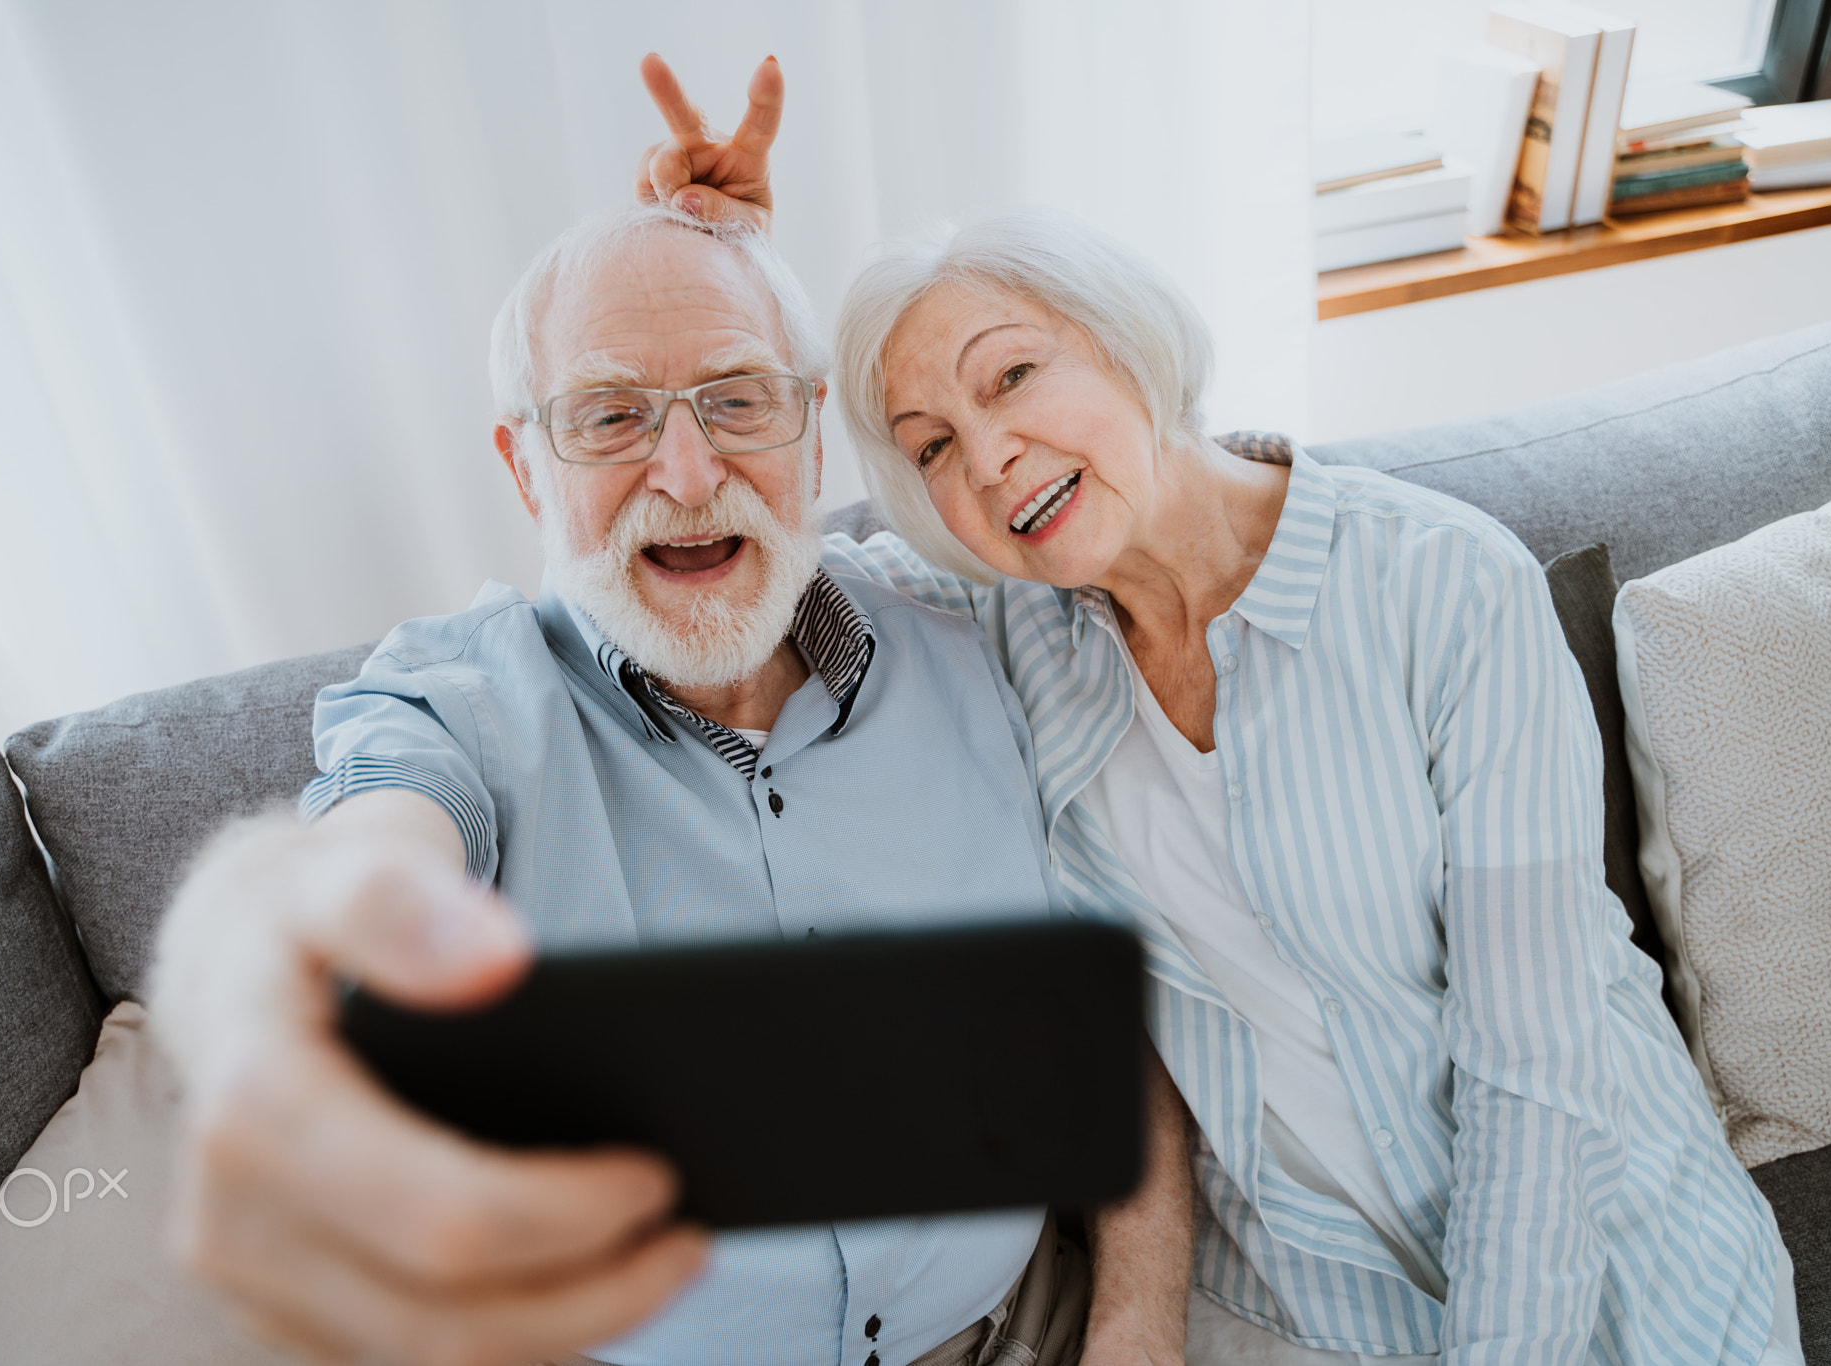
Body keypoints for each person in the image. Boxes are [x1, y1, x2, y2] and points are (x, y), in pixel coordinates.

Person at [636, 57, 1805, 1366]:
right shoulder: (1003, 627)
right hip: (1308, 1297)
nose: (989, 455)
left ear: (1123, 337)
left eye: (1013, 375)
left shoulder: (1441, 584)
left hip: (1612, 1275)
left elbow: (1536, 1071)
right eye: (930, 445)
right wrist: (722, 284)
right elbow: (748, 563)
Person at [152, 191, 1193, 1366]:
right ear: (524, 465)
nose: (689, 472)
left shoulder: (970, 626)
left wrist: (1136, 1320)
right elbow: (349, 867)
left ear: (808, 433)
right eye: (608, 414)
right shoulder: (461, 706)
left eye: (737, 398)